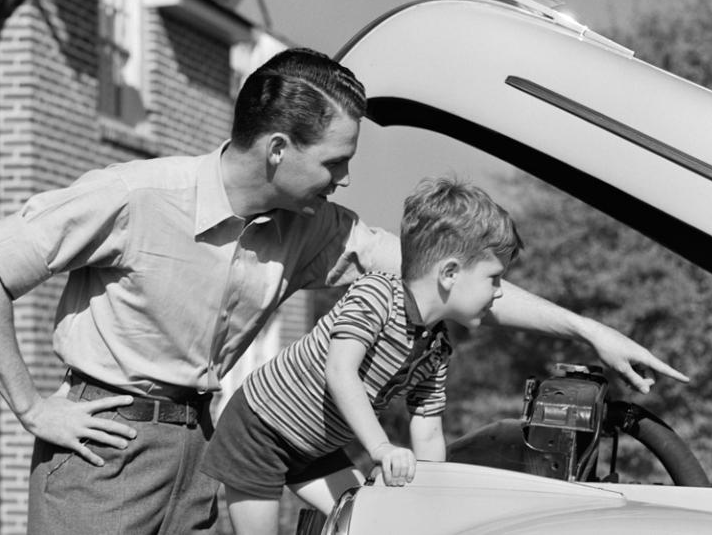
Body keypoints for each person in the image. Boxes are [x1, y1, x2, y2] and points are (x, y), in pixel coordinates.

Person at [0, 47, 687, 535]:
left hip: (204, 447)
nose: (345, 179)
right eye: (335, 161)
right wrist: (31, 404)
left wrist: (584, 329)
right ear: (278, 149)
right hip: (103, 452)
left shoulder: (309, 227)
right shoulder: (132, 195)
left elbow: (448, 275)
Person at [201, 179, 522, 534]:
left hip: (316, 446)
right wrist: (381, 447)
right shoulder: (377, 294)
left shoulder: (436, 347)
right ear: (449, 273)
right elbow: (340, 371)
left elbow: (428, 428)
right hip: (261, 430)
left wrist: (434, 499)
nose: (499, 293)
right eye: (494, 278)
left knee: (368, 523)